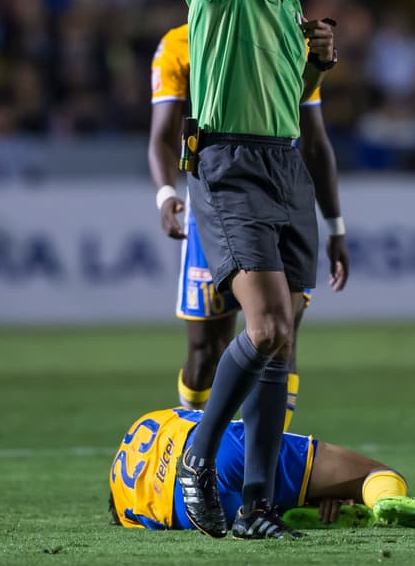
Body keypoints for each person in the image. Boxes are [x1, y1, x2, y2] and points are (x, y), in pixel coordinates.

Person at [174, 0, 340, 541]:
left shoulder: (286, 4)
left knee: (282, 343)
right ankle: (198, 459)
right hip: (228, 165)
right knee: (266, 330)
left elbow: (293, 109)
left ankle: (258, 506)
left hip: (282, 168)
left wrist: (315, 62)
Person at [148, 22, 349, 425]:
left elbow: (314, 140)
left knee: (281, 339)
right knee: (206, 350)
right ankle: (192, 443)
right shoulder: (181, 43)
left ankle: (263, 469)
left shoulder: (291, 34)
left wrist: (335, 226)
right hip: (221, 199)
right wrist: (166, 193)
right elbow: (163, 134)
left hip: (282, 197)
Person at [109, 406, 415, 532]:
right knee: (373, 474)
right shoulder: (141, 425)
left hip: (188, 511)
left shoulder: (127, 509)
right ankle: (385, 499)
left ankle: (300, 509)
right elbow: (208, 416)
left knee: (265, 494)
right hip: (218, 453)